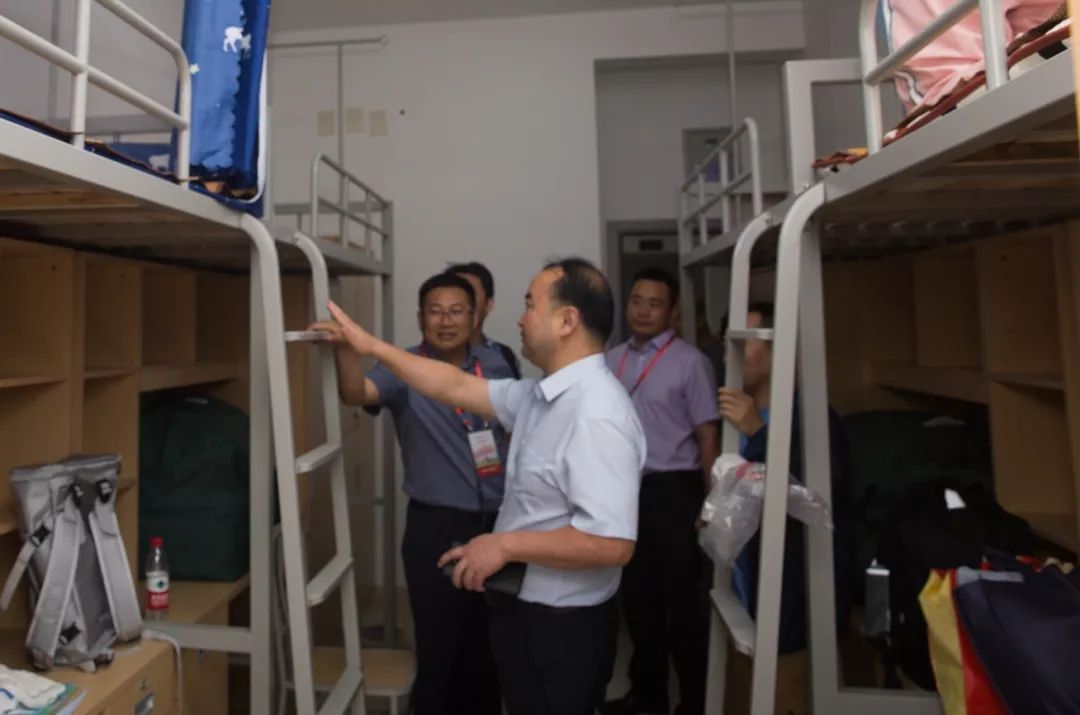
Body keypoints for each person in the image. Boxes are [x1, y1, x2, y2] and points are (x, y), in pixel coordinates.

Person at [319, 257, 646, 715]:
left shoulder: (596, 413)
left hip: (562, 625)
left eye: (530, 305)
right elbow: (454, 386)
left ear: (567, 321)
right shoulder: (542, 395)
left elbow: (611, 544)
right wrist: (371, 346)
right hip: (527, 607)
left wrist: (503, 544)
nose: (520, 318)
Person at [310, 273, 514, 715]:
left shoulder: (496, 363)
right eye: (435, 312)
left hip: (498, 526)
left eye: (456, 311)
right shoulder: (401, 367)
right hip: (436, 527)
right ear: (421, 318)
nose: (446, 321)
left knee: (489, 653)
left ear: (475, 316)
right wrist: (346, 350)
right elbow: (356, 393)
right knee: (440, 652)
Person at [602, 268, 720, 715]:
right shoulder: (611, 361)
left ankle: (693, 703)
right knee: (638, 600)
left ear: (672, 313)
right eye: (637, 301)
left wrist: (710, 502)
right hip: (625, 492)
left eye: (654, 304)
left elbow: (707, 437)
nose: (643, 311)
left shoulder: (691, 363)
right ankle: (647, 697)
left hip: (675, 492)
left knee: (682, 605)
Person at [718, 303, 851, 655]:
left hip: (789, 594)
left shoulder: (812, 418)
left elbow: (812, 502)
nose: (730, 355)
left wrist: (758, 432)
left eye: (743, 344)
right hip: (742, 585)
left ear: (777, 348)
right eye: (726, 345)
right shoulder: (731, 418)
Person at [446, 261, 523, 378]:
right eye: (455, 294)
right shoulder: (421, 358)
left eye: (470, 294)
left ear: (488, 305)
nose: (461, 303)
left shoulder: (503, 356)